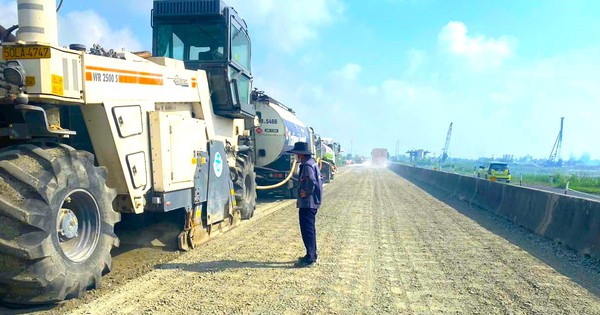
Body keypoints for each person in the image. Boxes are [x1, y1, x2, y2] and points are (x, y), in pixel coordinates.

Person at [286, 141, 323, 268]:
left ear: (300, 154)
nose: (296, 156)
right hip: (311, 203)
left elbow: (311, 182)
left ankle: (310, 258)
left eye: (296, 154)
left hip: (308, 203)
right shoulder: (312, 163)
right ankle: (311, 254)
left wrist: (305, 193)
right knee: (310, 230)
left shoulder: (307, 166)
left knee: (307, 230)